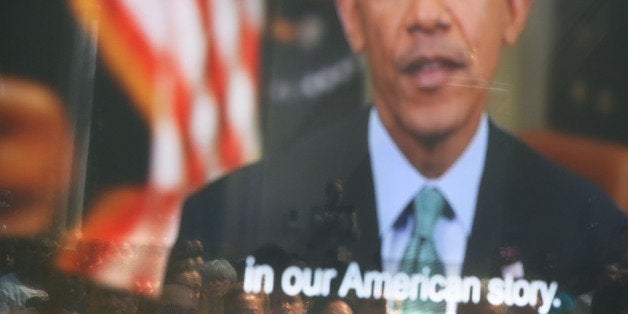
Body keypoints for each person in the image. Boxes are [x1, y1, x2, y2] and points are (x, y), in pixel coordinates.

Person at [179, 0, 627, 312]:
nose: (428, 16)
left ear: (514, 10)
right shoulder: (223, 219)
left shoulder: (597, 241)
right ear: (353, 17)